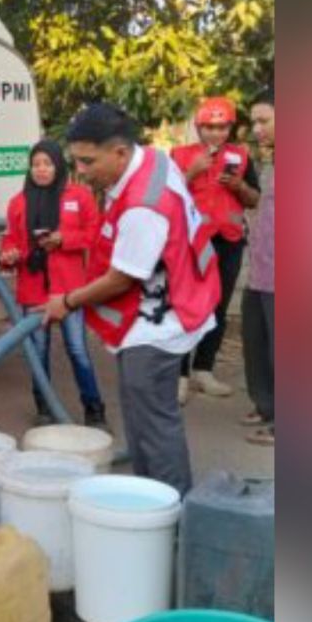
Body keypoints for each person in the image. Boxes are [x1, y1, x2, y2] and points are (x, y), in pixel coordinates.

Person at [41, 103, 220, 495]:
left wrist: (67, 301)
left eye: (88, 162)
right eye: (76, 162)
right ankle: (151, 499)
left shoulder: (143, 206)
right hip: (174, 297)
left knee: (153, 426)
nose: (81, 171)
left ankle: (170, 516)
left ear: (120, 152)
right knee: (145, 418)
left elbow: (121, 279)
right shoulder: (152, 160)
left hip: (158, 327)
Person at [0, 140, 107, 427]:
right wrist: (8, 254)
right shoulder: (18, 202)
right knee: (38, 352)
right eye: (36, 164)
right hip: (32, 289)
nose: (42, 170)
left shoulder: (80, 196)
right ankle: (44, 408)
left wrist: (64, 239)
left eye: (47, 164)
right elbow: (11, 240)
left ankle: (94, 410)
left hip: (70, 289)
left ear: (58, 165)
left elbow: (95, 233)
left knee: (77, 349)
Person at [170, 97, 261, 402]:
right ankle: (180, 375)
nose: (215, 134)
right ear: (198, 127)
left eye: (222, 128)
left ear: (230, 128)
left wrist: (239, 186)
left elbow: (253, 199)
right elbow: (166, 196)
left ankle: (204, 370)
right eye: (209, 127)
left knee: (218, 307)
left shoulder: (241, 156)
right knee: (188, 304)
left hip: (230, 241)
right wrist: (191, 173)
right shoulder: (180, 155)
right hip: (193, 241)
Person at [240, 93, 275, 445]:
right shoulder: (271, 164)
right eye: (254, 121)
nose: (256, 128)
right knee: (257, 342)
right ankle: (267, 406)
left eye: (264, 120)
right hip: (262, 270)